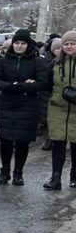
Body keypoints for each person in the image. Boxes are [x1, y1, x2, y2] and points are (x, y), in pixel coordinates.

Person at [0, 29, 45, 187]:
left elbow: (42, 83)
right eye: (17, 43)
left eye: (23, 43)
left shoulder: (37, 62)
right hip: (7, 104)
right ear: (12, 44)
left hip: (27, 106)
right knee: (6, 140)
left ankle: (18, 172)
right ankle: (5, 170)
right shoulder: (3, 61)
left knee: (23, 141)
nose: (19, 46)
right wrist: (11, 86)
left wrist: (24, 87)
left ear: (28, 45)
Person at [41, 30, 76, 190]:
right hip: (57, 110)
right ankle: (56, 178)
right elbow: (46, 85)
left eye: (72, 44)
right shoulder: (55, 64)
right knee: (58, 145)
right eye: (66, 44)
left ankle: (74, 177)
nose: (69, 47)